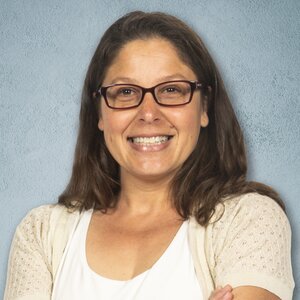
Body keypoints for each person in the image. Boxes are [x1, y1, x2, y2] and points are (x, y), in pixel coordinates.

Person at [4, 11, 294, 300]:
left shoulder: (249, 220)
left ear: (204, 107)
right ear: (99, 113)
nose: (148, 113)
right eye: (126, 92)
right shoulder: (40, 233)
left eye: (171, 90)